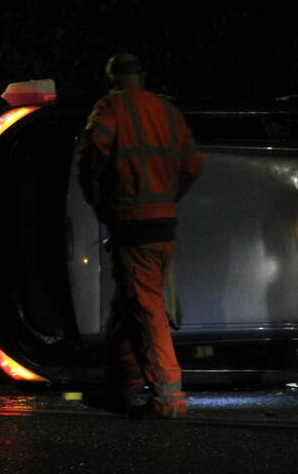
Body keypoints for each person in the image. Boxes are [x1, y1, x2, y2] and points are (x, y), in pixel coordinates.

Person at [77, 53, 203, 419]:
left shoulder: (109, 109)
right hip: (163, 225)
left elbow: (90, 160)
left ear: (110, 78)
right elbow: (193, 164)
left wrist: (99, 203)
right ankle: (121, 388)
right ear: (143, 76)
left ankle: (168, 400)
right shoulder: (166, 111)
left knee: (147, 311)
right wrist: (167, 198)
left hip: (132, 225)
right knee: (129, 308)